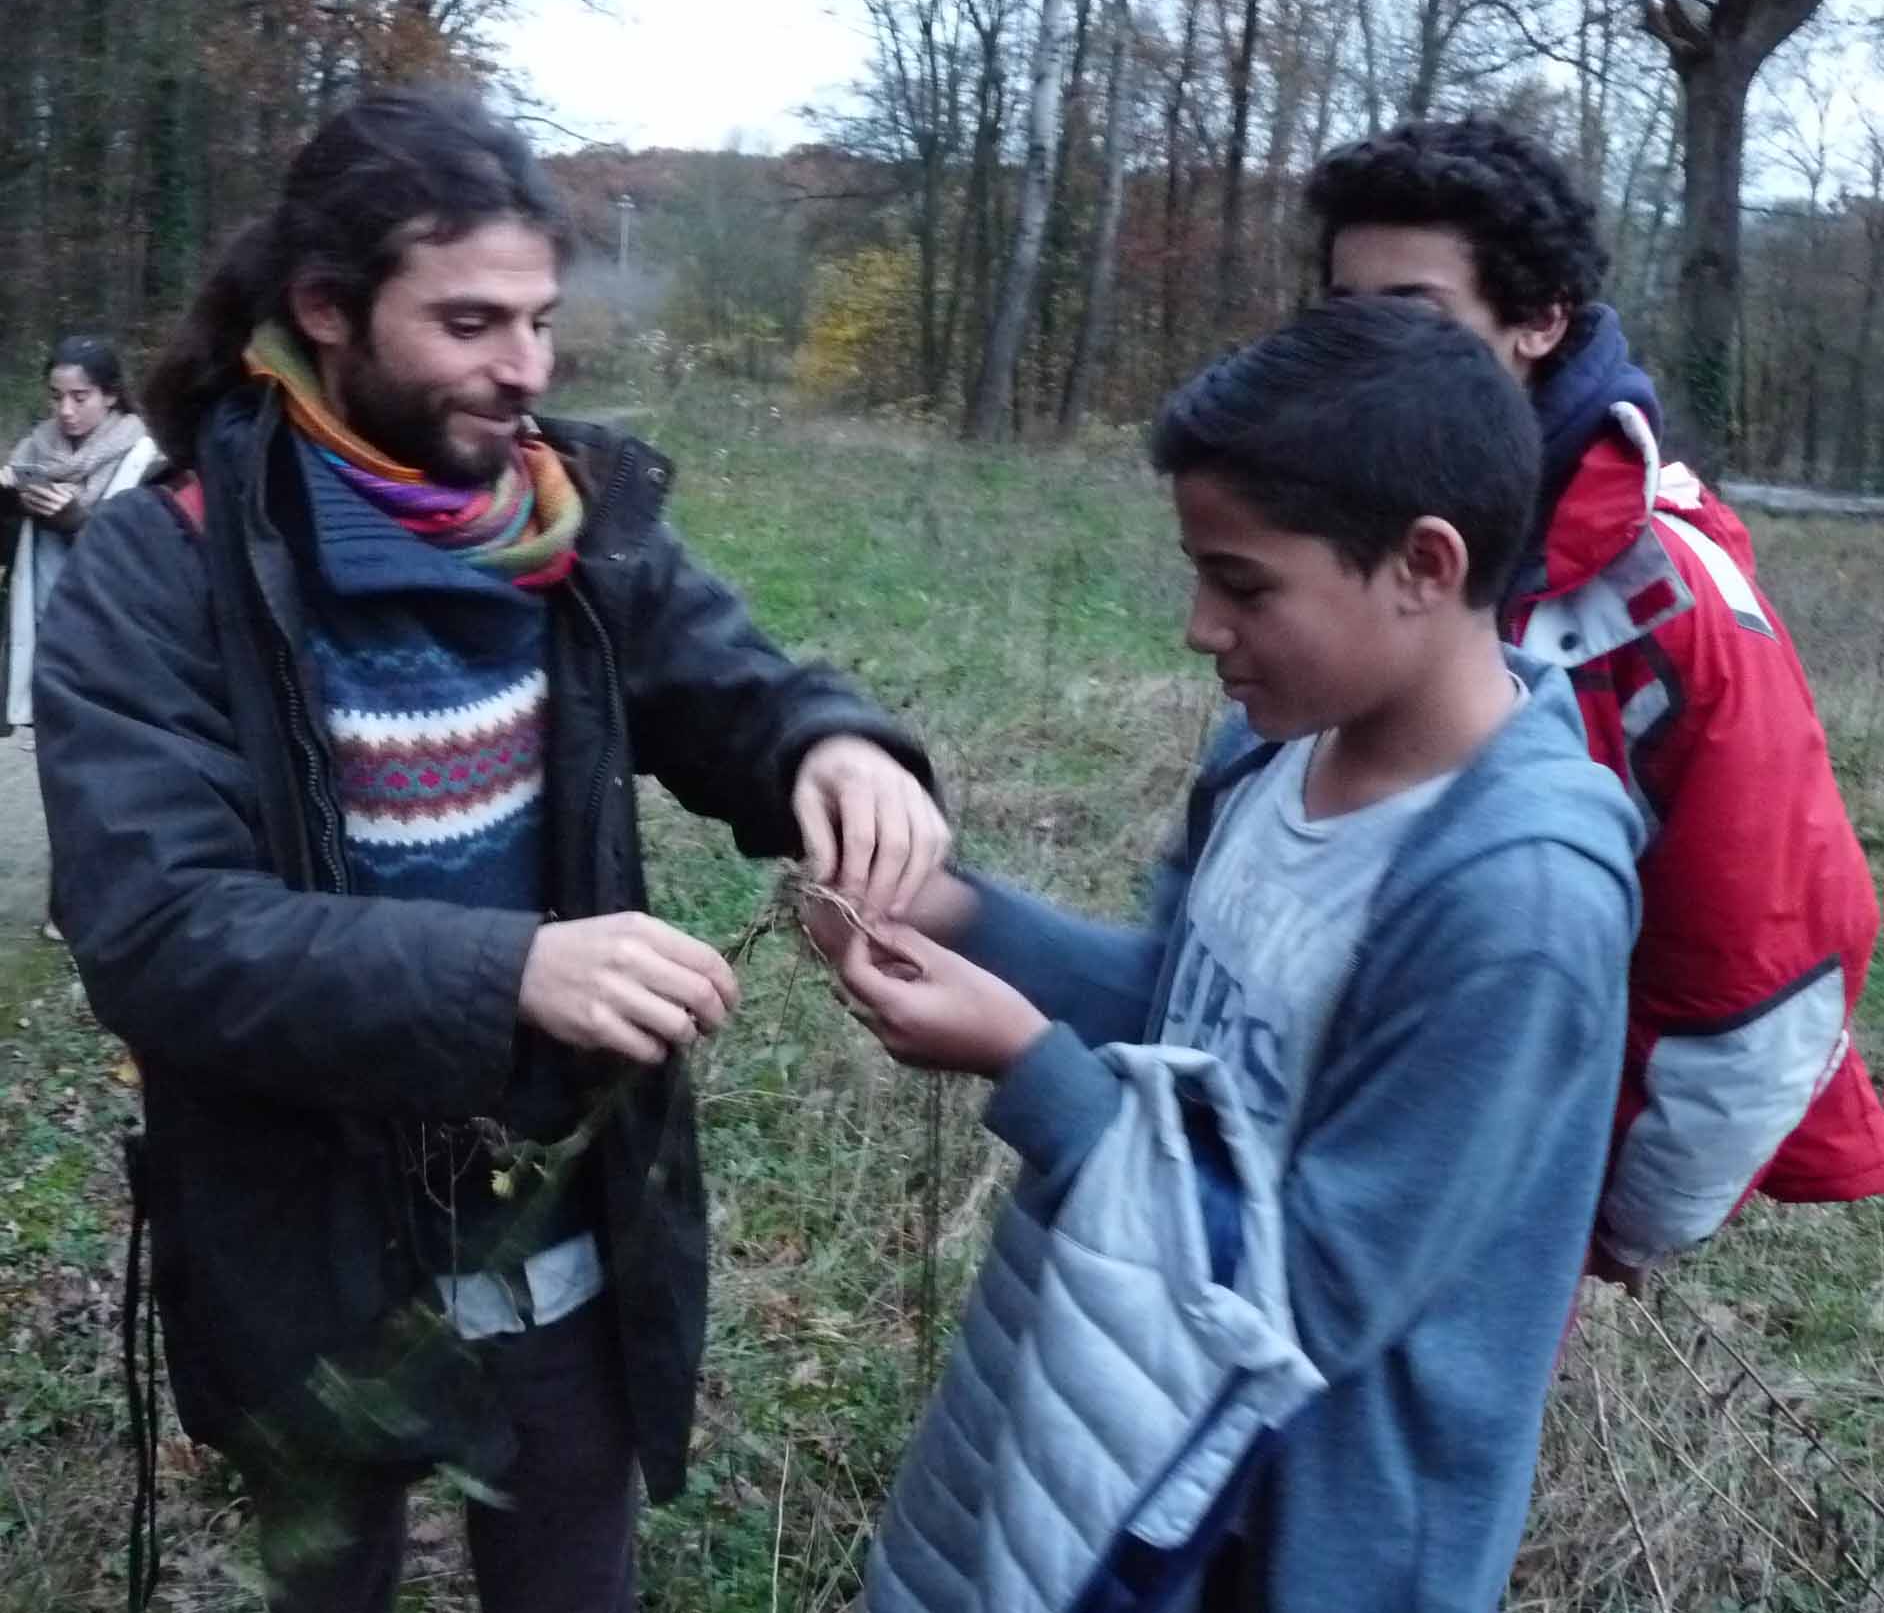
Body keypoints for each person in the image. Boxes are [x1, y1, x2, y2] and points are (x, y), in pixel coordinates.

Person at [31, 88, 949, 1613]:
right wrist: (513, 970)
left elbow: (728, 682)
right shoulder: (170, 565)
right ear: (327, 309)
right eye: (469, 323)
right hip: (305, 1228)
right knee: (332, 1581)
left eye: (537, 317)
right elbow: (157, 929)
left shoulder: (561, 522)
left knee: (572, 1573)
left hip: (563, 1211)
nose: (524, 368)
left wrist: (832, 746)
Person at [814, 299, 1642, 1612]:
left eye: (1244, 583)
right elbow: (1176, 1018)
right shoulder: (1266, 754)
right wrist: (954, 915)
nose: (1202, 626)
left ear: (1425, 565)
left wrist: (1027, 1066)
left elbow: (1310, 1295)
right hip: (1147, 1435)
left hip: (1314, 1534)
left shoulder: (1520, 904)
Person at [1306, 115, 1884, 1289]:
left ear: (1540, 321)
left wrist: (1599, 1227)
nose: (1368, 350)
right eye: (1343, 312)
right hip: (1319, 1126)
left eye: (1412, 312)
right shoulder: (1336, 513)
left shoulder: (1672, 609)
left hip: (1501, 1191)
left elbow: (1764, 968)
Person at [2, 335, 158, 940]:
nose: (65, 412)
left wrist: (80, 522)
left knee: (114, 777)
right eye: (56, 397)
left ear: (112, 397)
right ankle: (66, 903)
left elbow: (148, 557)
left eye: (81, 397)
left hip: (116, 643)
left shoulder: (145, 456)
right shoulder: (35, 452)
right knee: (62, 777)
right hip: (48, 638)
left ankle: (108, 907)